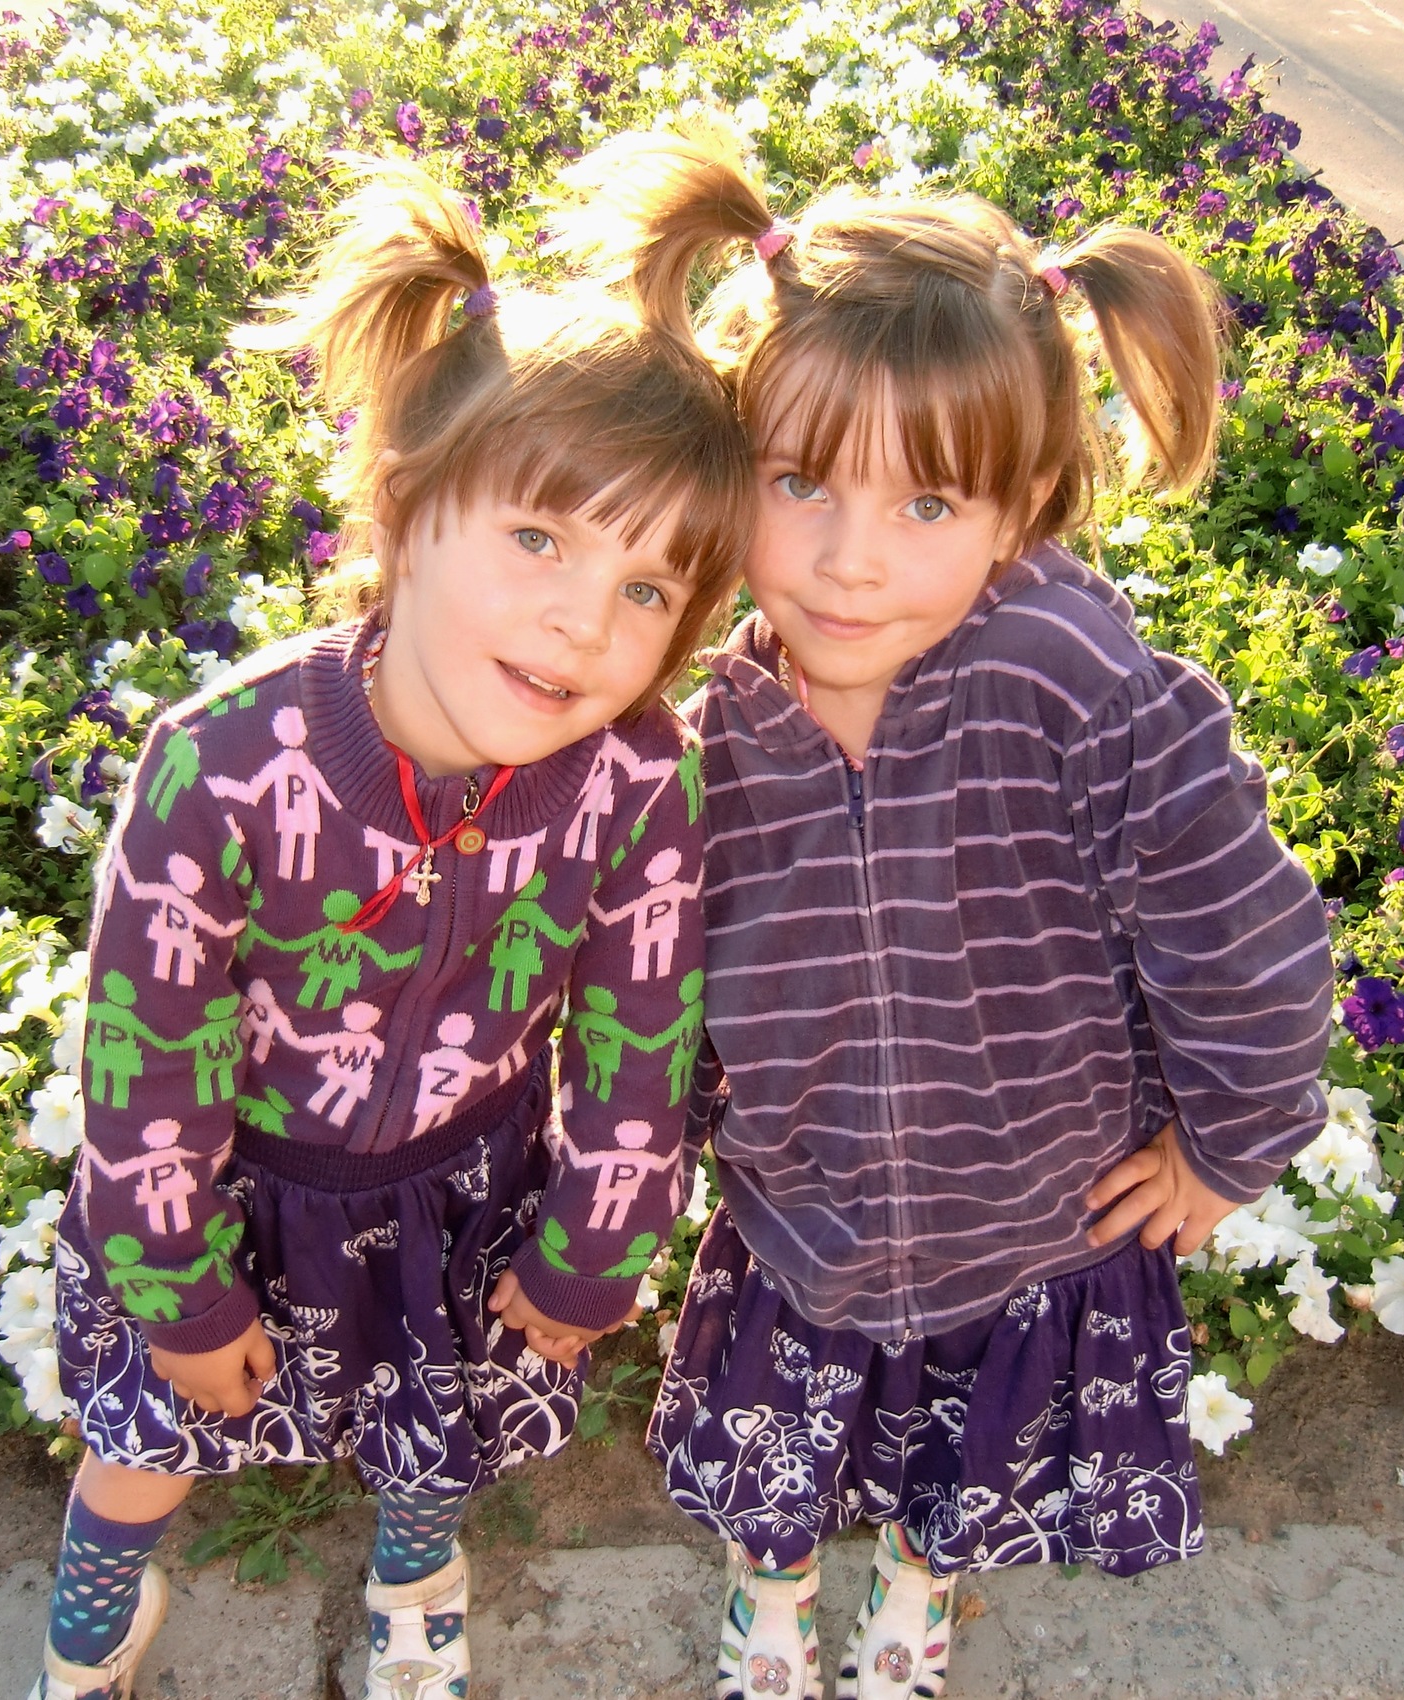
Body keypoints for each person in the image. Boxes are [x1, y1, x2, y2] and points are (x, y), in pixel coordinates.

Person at [570, 131, 1335, 1700]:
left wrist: (1230, 1144)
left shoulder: (1080, 691)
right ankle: (771, 1603)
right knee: (781, 1461)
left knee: (962, 1462)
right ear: (732, 467)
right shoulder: (706, 731)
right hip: (805, 1219)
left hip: (1032, 1219)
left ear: (1023, 502)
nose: (850, 563)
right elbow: (646, 990)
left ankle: (918, 1600)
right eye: (799, 483)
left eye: (927, 502)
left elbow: (1243, 937)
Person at [28, 152, 751, 1700]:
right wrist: (182, 1286)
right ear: (410, 508)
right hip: (233, 1185)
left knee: (440, 1421)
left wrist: (595, 1248)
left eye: (649, 589)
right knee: (153, 1424)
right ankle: (101, 1585)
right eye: (540, 539)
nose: (583, 620)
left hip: (457, 1191)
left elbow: (639, 1036)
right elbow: (144, 1056)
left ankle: (416, 1570)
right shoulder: (228, 766)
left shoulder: (636, 780)